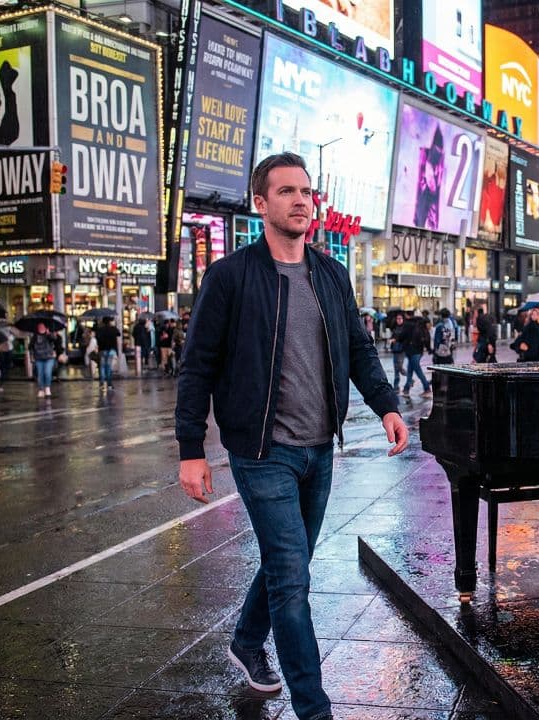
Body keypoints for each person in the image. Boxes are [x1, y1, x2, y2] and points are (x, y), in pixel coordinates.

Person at [176, 152, 408, 720]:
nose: (301, 200)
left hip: (319, 451)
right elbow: (197, 365)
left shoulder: (328, 273)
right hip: (262, 452)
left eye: (306, 191)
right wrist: (191, 450)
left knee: (290, 562)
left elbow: (356, 347)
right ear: (260, 204)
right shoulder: (231, 276)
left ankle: (246, 642)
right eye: (286, 191)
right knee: (290, 579)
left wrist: (386, 405)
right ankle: (314, 708)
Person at [398, 313, 431, 397]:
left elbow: (401, 336)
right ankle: (406, 389)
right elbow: (427, 337)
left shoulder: (408, 325)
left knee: (417, 370)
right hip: (418, 351)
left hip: (411, 351)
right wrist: (429, 348)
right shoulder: (421, 325)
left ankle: (427, 388)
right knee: (410, 370)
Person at [28, 322, 62, 399]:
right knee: (40, 374)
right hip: (38, 357)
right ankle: (41, 389)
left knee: (47, 372)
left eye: (42, 326)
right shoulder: (35, 336)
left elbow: (55, 340)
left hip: (49, 357)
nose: (41, 327)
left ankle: (47, 388)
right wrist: (32, 356)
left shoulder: (49, 334)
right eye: (39, 326)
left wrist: (49, 333)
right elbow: (30, 347)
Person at [94, 316, 121, 391]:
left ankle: (102, 384)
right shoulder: (113, 329)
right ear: (109, 322)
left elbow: (97, 338)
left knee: (102, 367)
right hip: (111, 350)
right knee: (108, 367)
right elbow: (118, 334)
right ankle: (109, 384)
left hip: (102, 350)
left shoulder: (99, 330)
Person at [388, 313, 407, 391]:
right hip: (395, 350)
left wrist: (395, 340)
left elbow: (404, 338)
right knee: (396, 369)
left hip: (401, 350)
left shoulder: (405, 328)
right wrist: (391, 340)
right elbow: (393, 336)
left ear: (403, 319)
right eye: (397, 319)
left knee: (399, 367)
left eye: (400, 318)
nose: (398, 320)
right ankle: (396, 386)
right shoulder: (395, 328)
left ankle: (409, 378)